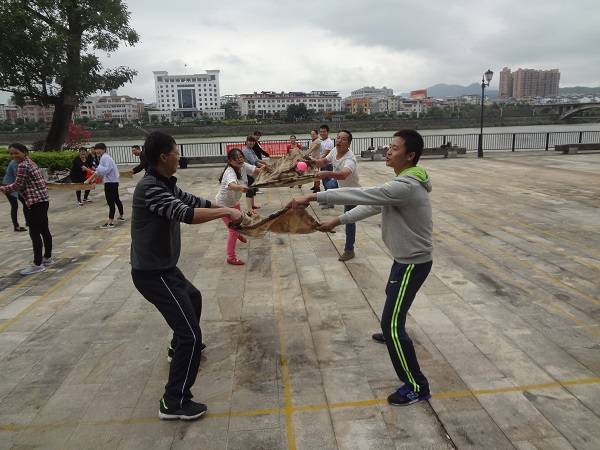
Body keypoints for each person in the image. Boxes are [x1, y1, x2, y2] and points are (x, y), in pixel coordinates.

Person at [290, 130, 433, 407]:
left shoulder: (405, 186)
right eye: (389, 147)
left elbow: (366, 195)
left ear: (411, 155)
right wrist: (339, 220)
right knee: (392, 300)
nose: (388, 151)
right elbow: (374, 206)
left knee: (391, 324)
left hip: (413, 262)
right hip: (404, 258)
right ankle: (392, 329)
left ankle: (416, 385)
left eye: (394, 148)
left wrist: (314, 199)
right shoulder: (404, 181)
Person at [130, 131, 242, 421]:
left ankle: (176, 347)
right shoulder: (150, 188)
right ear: (164, 156)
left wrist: (226, 211)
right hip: (152, 274)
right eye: (176, 152)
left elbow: (195, 201)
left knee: (193, 298)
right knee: (191, 335)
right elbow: (187, 215)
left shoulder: (164, 183)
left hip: (164, 268)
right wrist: (228, 211)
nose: (180, 157)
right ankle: (174, 402)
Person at [0, 143, 54, 275]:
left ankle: (37, 264)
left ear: (24, 152)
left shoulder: (23, 165)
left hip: (35, 202)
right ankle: (47, 258)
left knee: (34, 232)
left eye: (16, 153)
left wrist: (3, 188)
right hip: (42, 200)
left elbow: (18, 184)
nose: (13, 156)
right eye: (11, 153)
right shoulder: (30, 162)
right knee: (44, 229)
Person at [310, 130, 360, 261]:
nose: (339, 140)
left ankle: (349, 250)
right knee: (330, 187)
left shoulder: (350, 159)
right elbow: (323, 162)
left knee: (349, 220)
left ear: (349, 143)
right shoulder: (334, 151)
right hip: (339, 185)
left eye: (343, 139)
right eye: (338, 138)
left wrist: (325, 174)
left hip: (351, 192)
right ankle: (330, 220)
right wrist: (311, 161)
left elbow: (343, 174)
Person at [215, 148, 261, 265]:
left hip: (234, 202)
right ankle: (230, 257)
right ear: (230, 161)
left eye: (241, 157)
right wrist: (241, 188)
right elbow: (232, 185)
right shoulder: (229, 172)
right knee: (233, 229)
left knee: (239, 225)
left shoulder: (243, 166)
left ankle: (239, 234)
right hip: (223, 205)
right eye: (236, 159)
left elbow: (256, 171)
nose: (240, 160)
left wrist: (272, 170)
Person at [85, 143, 124, 228]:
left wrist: (96, 170)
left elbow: (105, 170)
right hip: (113, 181)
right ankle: (121, 216)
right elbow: (99, 171)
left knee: (110, 202)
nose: (97, 151)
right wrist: (90, 179)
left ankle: (110, 222)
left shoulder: (105, 158)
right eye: (96, 149)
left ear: (104, 149)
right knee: (116, 199)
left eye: (99, 149)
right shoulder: (104, 157)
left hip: (110, 183)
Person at [241, 135, 268, 212]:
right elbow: (254, 162)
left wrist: (265, 163)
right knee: (249, 189)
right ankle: (249, 209)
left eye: (253, 141)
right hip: (247, 173)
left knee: (252, 188)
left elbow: (256, 159)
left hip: (252, 172)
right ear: (246, 142)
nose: (251, 143)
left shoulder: (250, 149)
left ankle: (252, 205)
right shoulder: (246, 150)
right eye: (250, 141)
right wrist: (264, 166)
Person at [2, 158, 27, 232]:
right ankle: (16, 226)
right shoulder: (14, 162)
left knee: (25, 203)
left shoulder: (23, 162)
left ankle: (28, 222)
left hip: (15, 186)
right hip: (8, 185)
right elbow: (18, 177)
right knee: (14, 205)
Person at [311, 124, 334, 193]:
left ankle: (329, 196)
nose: (322, 133)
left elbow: (325, 154)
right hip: (322, 164)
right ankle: (327, 195)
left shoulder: (329, 142)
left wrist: (316, 160)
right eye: (321, 132)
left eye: (324, 131)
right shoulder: (322, 141)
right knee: (324, 181)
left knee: (327, 182)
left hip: (327, 165)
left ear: (327, 132)